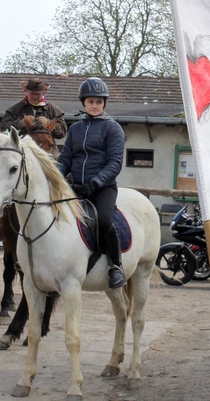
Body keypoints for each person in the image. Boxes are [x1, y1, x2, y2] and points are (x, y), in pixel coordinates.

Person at [57, 77, 126, 289]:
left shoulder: (113, 128)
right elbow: (65, 159)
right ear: (84, 103)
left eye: (98, 102)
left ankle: (116, 266)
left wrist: (94, 184)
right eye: (90, 102)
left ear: (104, 103)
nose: (94, 105)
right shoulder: (75, 129)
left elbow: (114, 163)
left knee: (104, 221)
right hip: (75, 187)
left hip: (102, 189)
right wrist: (56, 178)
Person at [0, 77, 67, 139]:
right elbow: (3, 129)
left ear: (43, 93)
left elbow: (63, 132)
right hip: (21, 148)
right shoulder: (15, 109)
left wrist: (49, 123)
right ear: (26, 92)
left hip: (46, 148)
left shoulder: (52, 109)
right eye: (32, 93)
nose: (35, 96)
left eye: (37, 94)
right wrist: (19, 124)